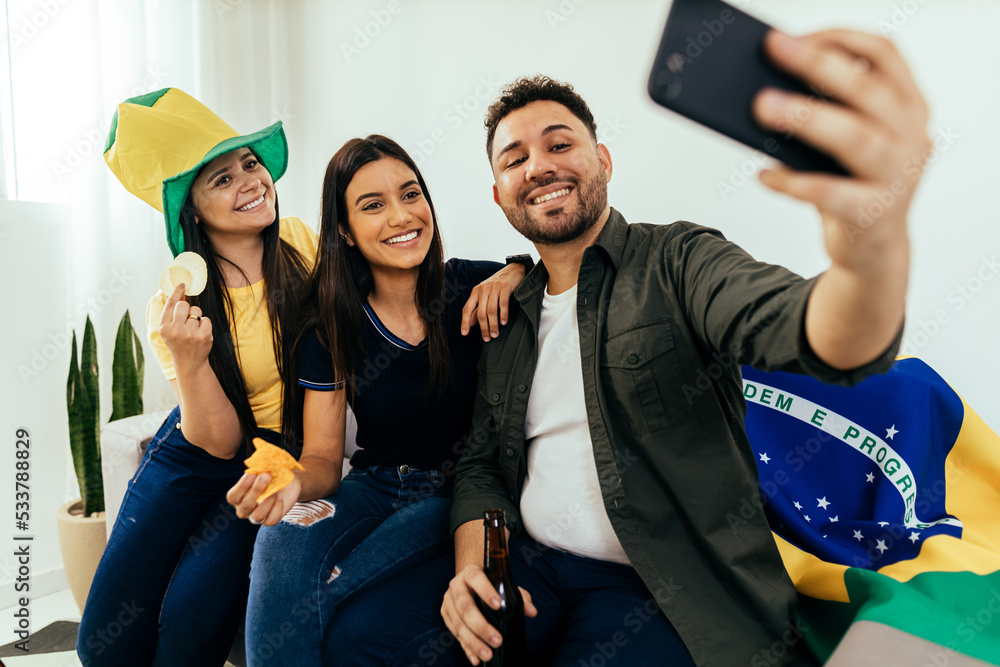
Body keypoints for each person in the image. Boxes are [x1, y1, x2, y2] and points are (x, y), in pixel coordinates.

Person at [327, 28, 933, 667]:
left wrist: (871, 253)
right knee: (363, 636)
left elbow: (807, 330)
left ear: (603, 161)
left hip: (659, 587)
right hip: (532, 567)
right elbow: (481, 465)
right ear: (500, 194)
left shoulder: (679, 260)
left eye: (560, 144)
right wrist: (472, 570)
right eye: (514, 159)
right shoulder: (505, 312)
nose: (538, 166)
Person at [225, 134, 529, 666]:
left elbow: (548, 270)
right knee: (281, 540)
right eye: (373, 205)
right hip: (372, 484)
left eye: (411, 195)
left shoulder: (470, 286)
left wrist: (516, 270)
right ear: (343, 230)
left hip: (447, 495)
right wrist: (293, 483)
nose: (401, 215)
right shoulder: (331, 324)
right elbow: (324, 458)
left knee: (335, 587)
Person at [77, 87, 316, 666]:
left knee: (189, 631)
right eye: (222, 179)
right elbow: (215, 440)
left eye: (250, 164)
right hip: (193, 453)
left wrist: (508, 273)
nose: (251, 181)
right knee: (101, 647)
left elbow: (404, 269)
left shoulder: (303, 243)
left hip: (275, 455)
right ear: (192, 210)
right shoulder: (176, 300)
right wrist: (189, 359)